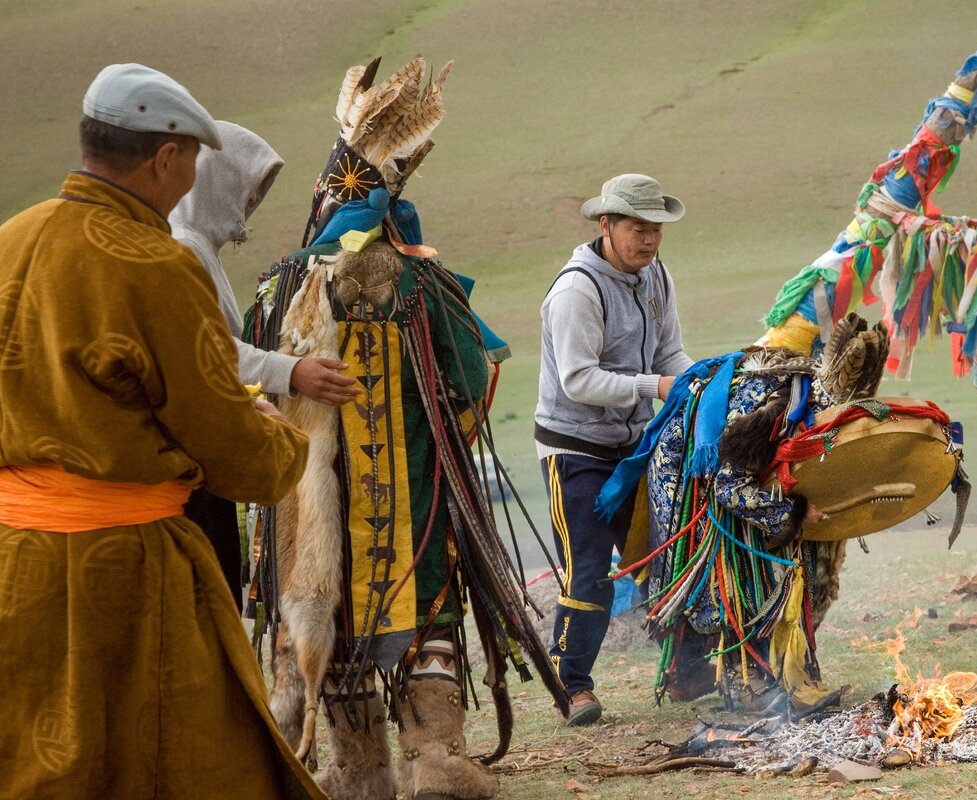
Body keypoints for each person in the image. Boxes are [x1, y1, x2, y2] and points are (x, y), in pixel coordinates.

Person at [245, 56, 567, 800]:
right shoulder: (423, 281)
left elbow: (240, 372)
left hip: (307, 504)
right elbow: (468, 378)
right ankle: (437, 759)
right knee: (424, 604)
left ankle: (358, 769)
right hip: (413, 497)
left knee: (328, 609)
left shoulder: (279, 283)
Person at [0, 63, 321, 799]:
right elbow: (236, 454)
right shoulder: (154, 266)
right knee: (176, 767)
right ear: (166, 157)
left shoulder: (10, 241)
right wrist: (278, 435)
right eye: (192, 165)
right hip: (123, 579)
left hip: (13, 566)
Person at [170, 120, 359, 609]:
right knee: (211, 600)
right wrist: (291, 372)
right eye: (246, 190)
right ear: (216, 180)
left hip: (204, 458)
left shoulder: (198, 248)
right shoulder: (183, 248)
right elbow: (207, 349)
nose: (251, 204)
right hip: (190, 465)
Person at [535, 173, 693, 725]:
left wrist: (695, 388)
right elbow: (579, 380)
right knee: (588, 573)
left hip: (636, 446)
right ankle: (573, 687)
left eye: (656, 229)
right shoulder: (578, 290)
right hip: (573, 451)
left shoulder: (656, 276)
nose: (648, 240)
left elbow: (671, 353)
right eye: (637, 228)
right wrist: (656, 388)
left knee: (671, 556)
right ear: (606, 226)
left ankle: (688, 670)